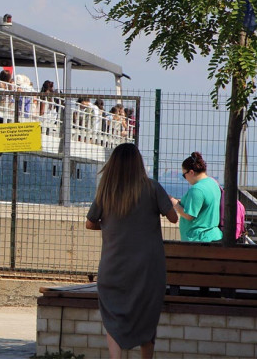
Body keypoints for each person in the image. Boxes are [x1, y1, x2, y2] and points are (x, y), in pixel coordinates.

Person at [85, 143, 177, 359]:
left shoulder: (106, 191)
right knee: (147, 315)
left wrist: (109, 225)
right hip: (148, 269)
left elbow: (90, 223)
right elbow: (173, 218)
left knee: (113, 316)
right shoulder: (152, 187)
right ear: (138, 164)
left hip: (113, 266)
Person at [169, 152, 223, 242]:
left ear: (191, 172)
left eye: (184, 175)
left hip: (198, 239)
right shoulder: (213, 183)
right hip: (213, 235)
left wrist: (174, 203)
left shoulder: (197, 189)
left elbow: (190, 215)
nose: (185, 178)